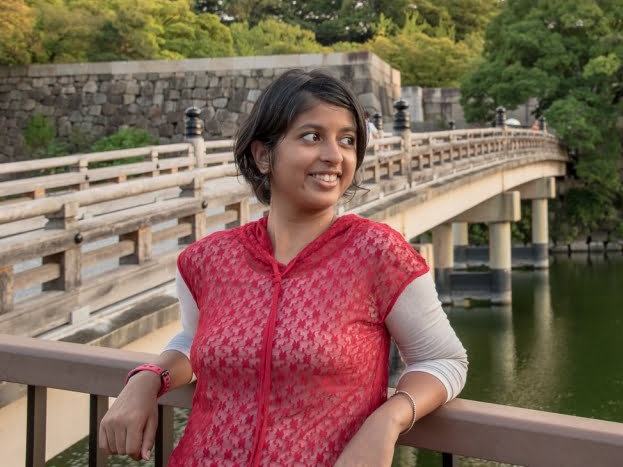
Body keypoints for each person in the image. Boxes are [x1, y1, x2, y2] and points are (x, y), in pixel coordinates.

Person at [99, 69, 468, 466]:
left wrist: (389, 418)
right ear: (263, 155)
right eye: (312, 136)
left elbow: (444, 361)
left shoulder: (377, 253)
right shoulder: (207, 260)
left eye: (347, 140)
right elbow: (194, 340)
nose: (334, 155)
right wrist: (148, 378)